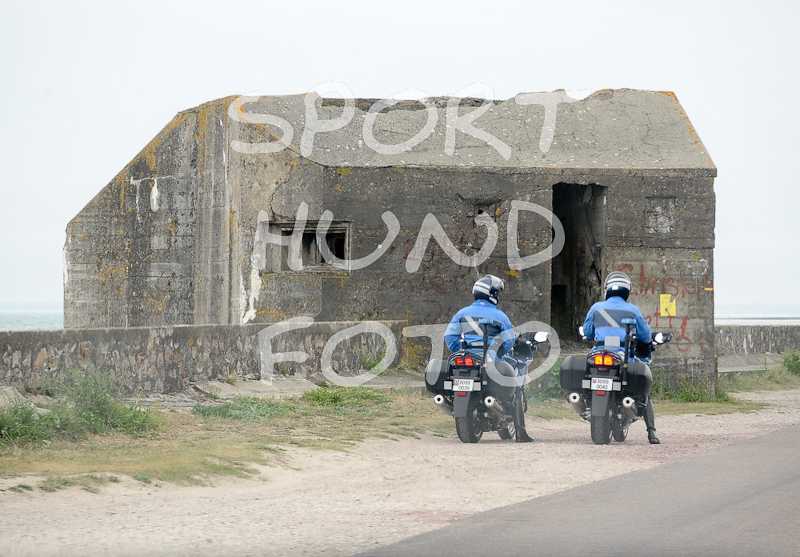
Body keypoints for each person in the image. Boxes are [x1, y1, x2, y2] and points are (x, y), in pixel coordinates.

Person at [444, 274, 534, 442]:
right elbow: (508, 341)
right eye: (497, 293)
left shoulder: (462, 313)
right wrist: (497, 355)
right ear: (492, 294)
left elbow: (449, 337)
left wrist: (460, 352)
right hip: (490, 360)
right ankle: (521, 434)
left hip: (466, 359)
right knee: (514, 390)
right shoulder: (499, 316)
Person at [583, 271, 661, 444]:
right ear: (627, 291)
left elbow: (587, 332)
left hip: (599, 352)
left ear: (607, 290)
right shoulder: (633, 310)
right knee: (644, 392)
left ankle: (587, 401)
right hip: (623, 355)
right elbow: (645, 336)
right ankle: (652, 432)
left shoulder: (596, 307)